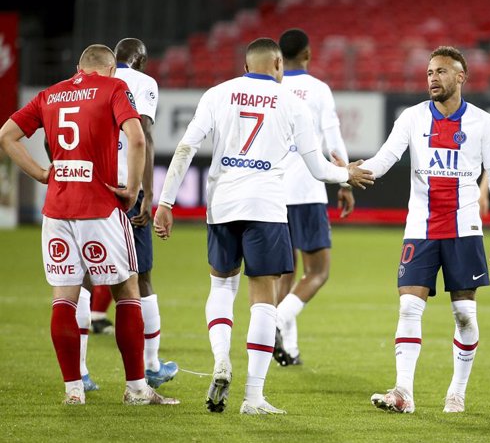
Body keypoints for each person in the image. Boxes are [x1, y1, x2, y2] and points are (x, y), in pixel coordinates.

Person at [153, 38, 373, 415]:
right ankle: (253, 397)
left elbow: (186, 148)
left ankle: (222, 359)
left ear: (245, 65)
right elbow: (317, 167)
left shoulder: (217, 94)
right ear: (276, 64)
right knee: (263, 298)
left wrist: (166, 202)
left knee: (222, 285)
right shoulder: (293, 103)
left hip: (222, 204)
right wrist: (346, 174)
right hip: (267, 207)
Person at [0, 44, 178, 405]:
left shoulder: (51, 94)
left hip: (56, 211)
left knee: (64, 297)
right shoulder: (114, 89)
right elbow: (138, 136)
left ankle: (73, 391)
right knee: (127, 291)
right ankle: (137, 388)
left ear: (78, 66)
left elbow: (7, 135)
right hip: (99, 206)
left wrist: (39, 173)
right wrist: (132, 189)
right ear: (112, 70)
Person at [361, 46, 490, 414]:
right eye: (429, 72)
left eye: (441, 71)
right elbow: (385, 159)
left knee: (464, 315)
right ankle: (403, 392)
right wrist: (353, 172)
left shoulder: (482, 122)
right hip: (420, 229)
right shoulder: (411, 118)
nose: (433, 78)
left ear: (461, 77)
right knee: (409, 306)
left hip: (464, 230)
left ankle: (457, 390)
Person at [74, 38, 178, 392]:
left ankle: (81, 373)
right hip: (125, 188)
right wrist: (147, 191)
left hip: (88, 186)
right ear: (142, 61)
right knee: (141, 276)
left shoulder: (81, 85)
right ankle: (150, 366)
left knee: (84, 277)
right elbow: (143, 137)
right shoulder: (143, 83)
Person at [271, 28, 355, 367]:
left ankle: (287, 350)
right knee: (317, 271)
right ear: (307, 54)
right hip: (307, 188)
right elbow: (332, 140)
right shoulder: (318, 90)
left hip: (273, 190)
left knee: (283, 272)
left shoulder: (270, 88)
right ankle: (275, 322)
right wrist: (346, 182)